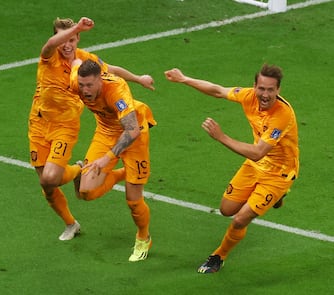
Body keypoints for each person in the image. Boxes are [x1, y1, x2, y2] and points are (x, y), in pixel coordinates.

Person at [28, 17, 155, 241]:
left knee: (49, 179)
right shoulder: (49, 57)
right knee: (47, 186)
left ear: (78, 39)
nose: (67, 45)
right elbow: (49, 44)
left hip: (65, 126)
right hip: (38, 122)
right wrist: (74, 28)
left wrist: (138, 78)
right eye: (63, 39)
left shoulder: (84, 63)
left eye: (73, 39)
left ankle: (78, 170)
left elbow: (109, 70)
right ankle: (70, 223)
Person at [164, 64, 299, 273]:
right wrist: (184, 79)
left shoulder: (282, 115)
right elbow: (218, 90)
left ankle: (218, 255)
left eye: (270, 90)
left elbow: (257, 152)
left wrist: (221, 137)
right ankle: (276, 197)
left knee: (239, 219)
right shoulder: (248, 96)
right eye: (261, 88)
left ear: (278, 90)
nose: (265, 94)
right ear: (255, 86)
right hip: (255, 166)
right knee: (226, 210)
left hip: (279, 172)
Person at [69, 59, 156, 262]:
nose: (85, 90)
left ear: (100, 80)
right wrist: (139, 78)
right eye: (82, 85)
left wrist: (107, 158)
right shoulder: (77, 80)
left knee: (133, 201)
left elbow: (132, 130)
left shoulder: (116, 92)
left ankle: (143, 237)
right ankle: (123, 173)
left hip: (134, 132)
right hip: (106, 132)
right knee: (86, 192)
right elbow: (84, 62)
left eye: (89, 85)